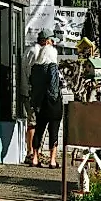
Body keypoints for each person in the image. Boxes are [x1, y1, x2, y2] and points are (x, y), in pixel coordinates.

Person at [28, 37, 63, 168]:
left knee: (39, 130)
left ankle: (35, 158)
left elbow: (32, 83)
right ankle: (52, 160)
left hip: (39, 103)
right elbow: (54, 87)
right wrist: (55, 97)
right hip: (52, 104)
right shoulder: (52, 67)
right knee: (53, 130)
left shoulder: (35, 68)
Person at [21, 31, 51, 165]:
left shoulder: (31, 50)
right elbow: (31, 73)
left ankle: (35, 151)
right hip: (32, 92)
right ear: (45, 40)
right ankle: (31, 152)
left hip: (29, 91)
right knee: (33, 121)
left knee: (35, 121)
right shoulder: (36, 52)